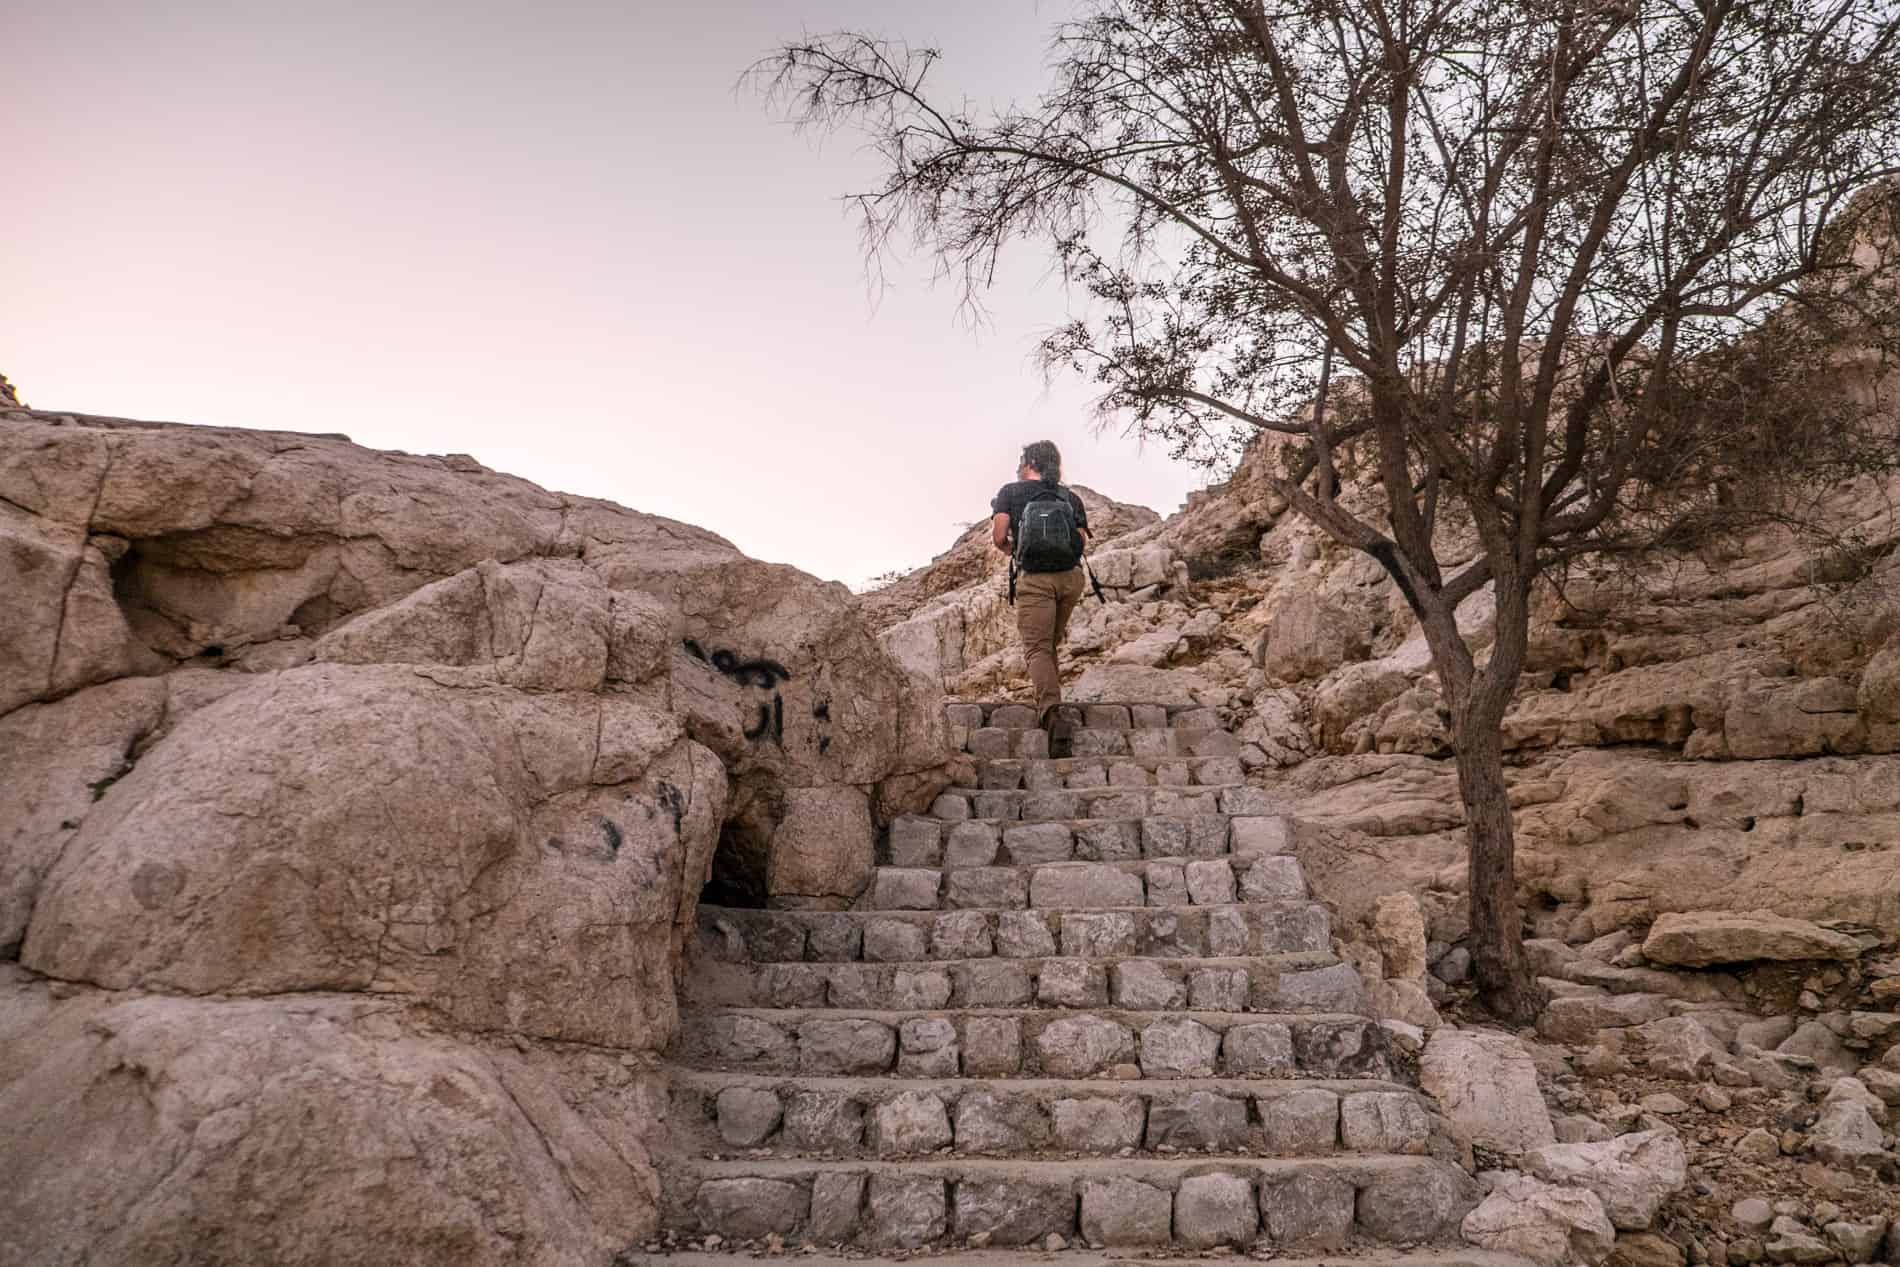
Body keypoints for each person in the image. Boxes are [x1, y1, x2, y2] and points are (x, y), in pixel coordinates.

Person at [990, 440, 1090, 744]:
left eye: (1021, 460)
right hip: (1070, 579)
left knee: (1037, 648)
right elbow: (1082, 540)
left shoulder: (1010, 492)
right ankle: (1052, 702)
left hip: (1035, 580)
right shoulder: (1068, 496)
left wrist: (1016, 551)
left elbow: (998, 536)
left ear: (1030, 461)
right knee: (1050, 645)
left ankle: (1051, 713)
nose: (1018, 466)